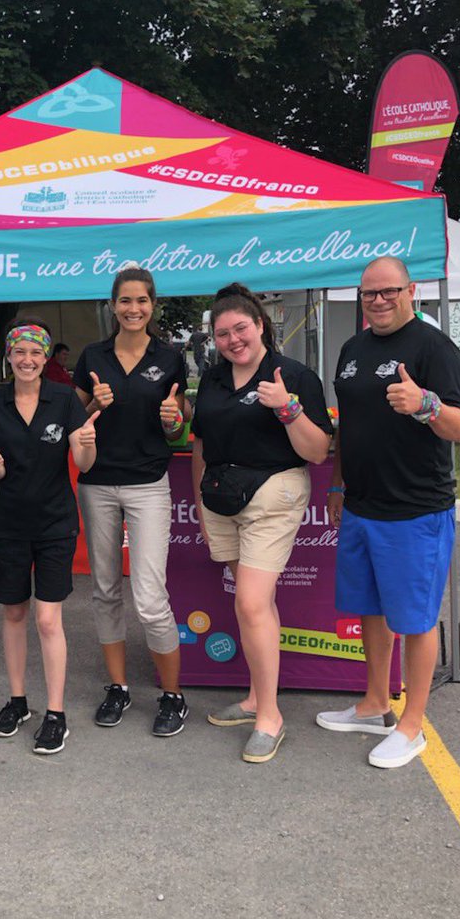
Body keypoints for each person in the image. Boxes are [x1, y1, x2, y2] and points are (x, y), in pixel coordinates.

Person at [315, 257, 460, 768]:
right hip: (361, 504)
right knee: (371, 610)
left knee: (417, 619)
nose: (378, 301)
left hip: (415, 509)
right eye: (368, 294)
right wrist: (337, 484)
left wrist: (424, 403)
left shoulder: (434, 347)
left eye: (389, 292)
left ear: (411, 290)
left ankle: (412, 725)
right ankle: (375, 703)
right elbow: (349, 425)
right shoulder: (352, 349)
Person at [192, 283, 332, 763]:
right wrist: (199, 500)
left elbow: (317, 451)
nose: (233, 340)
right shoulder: (211, 379)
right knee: (256, 603)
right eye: (223, 333)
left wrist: (287, 407)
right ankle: (255, 697)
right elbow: (200, 443)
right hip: (220, 497)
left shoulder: (293, 375)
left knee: (250, 602)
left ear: (261, 326)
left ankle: (269, 717)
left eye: (241, 329)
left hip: (274, 492)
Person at [73, 267, 191, 737]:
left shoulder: (170, 357)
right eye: (125, 301)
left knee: (148, 597)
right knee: (104, 589)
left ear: (153, 305)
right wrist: (93, 405)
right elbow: (75, 421)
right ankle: (118, 687)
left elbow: (178, 426)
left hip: (147, 483)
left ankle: (172, 695)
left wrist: (171, 419)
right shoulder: (92, 356)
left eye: (142, 300)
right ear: (113, 305)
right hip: (98, 483)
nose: (133, 309)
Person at [0, 320, 99, 754]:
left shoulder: (64, 398)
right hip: (9, 523)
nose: (27, 359)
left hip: (54, 523)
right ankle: (17, 701)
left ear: (46, 359)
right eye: (19, 352)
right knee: (13, 614)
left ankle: (56, 712)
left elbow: (83, 462)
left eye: (35, 353)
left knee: (48, 619)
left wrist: (85, 441)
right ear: (9, 358)